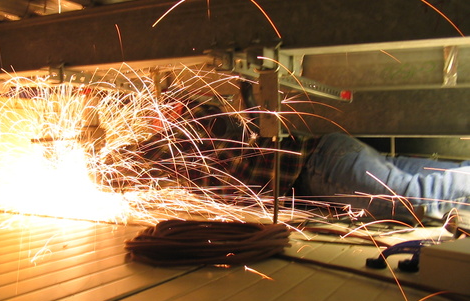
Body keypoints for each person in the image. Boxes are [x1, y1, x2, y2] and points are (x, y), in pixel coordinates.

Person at [111, 102, 470, 221]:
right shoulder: (207, 130)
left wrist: (95, 163)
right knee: (436, 175)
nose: (150, 126)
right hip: (332, 154)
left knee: (425, 198)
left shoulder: (189, 130)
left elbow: (136, 161)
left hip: (322, 168)